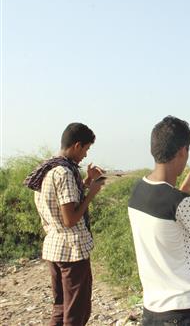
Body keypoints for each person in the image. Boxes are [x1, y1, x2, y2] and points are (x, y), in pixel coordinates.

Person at [128, 115, 190, 326]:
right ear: (183, 151)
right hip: (185, 311)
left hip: (153, 310)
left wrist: (184, 190)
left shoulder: (137, 191)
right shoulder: (179, 203)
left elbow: (167, 216)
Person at [23, 122, 105, 326]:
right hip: (72, 251)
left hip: (54, 247)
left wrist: (86, 182)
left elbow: (61, 203)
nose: (85, 155)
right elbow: (69, 220)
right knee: (76, 313)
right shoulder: (65, 173)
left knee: (60, 308)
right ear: (77, 145)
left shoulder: (48, 168)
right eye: (86, 149)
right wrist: (92, 193)